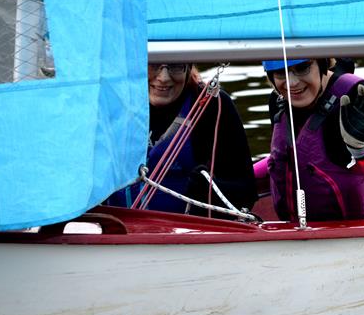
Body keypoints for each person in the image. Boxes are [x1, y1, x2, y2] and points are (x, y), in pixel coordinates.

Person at [253, 58, 364, 222]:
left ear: (321, 63)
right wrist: (244, 176)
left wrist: (363, 150)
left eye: (302, 68)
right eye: (280, 72)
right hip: (299, 232)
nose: (291, 83)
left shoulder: (359, 97)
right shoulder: (279, 100)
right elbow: (293, 157)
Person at [106, 63, 257, 216]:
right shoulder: (108, 104)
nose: (163, 78)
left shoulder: (212, 105)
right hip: (116, 229)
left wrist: (208, 190)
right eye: (152, 65)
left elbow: (245, 193)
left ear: (189, 67)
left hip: (190, 233)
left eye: (176, 66)